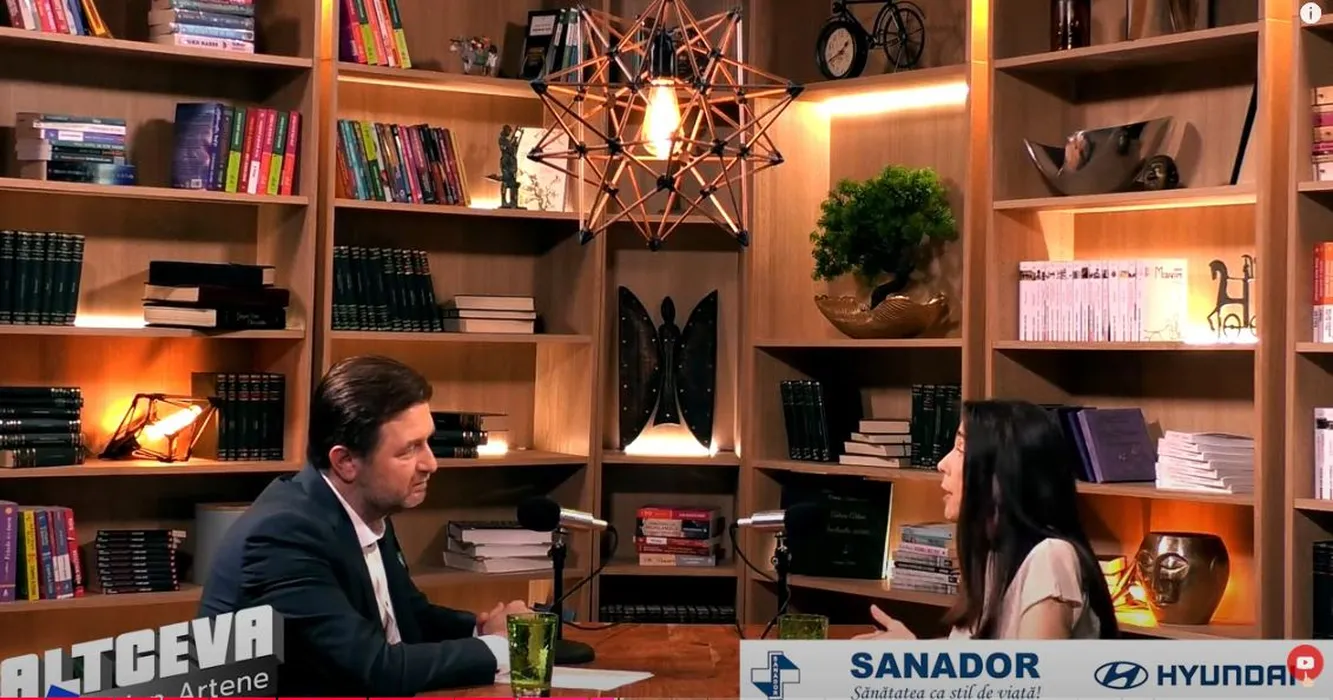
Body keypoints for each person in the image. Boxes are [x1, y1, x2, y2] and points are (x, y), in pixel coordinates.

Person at [198, 355, 531, 696]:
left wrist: (484, 630)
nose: (431, 463)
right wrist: (498, 648)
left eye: (427, 442)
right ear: (345, 461)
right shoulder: (283, 537)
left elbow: (409, 616)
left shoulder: (367, 507)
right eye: (409, 450)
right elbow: (374, 669)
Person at [856, 399, 1119, 640]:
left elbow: (1031, 674)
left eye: (961, 449)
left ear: (1001, 473)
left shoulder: (1051, 557)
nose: (942, 464)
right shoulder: (994, 555)